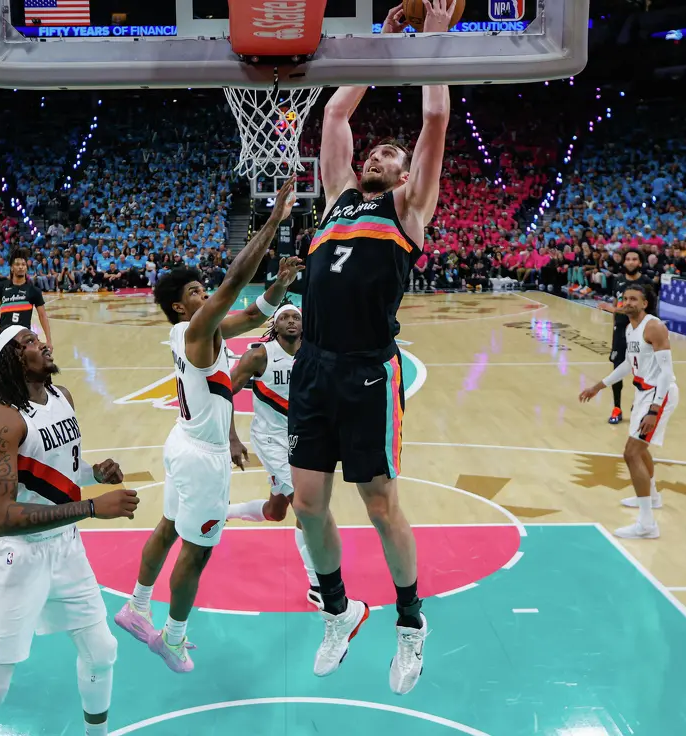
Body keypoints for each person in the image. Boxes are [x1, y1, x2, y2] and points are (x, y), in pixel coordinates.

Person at [285, 0, 453, 695]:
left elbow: (436, 119)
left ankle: (410, 625)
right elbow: (333, 118)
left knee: (379, 504)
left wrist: (433, 47)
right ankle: (340, 609)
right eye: (376, 151)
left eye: (394, 153)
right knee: (306, 503)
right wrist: (373, 48)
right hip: (314, 366)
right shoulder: (334, 200)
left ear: (406, 173)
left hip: (366, 371)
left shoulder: (407, 211)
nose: (383, 155)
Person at [113, 179, 300, 673]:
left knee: (170, 526)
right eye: (197, 291)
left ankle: (135, 607)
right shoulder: (196, 330)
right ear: (180, 305)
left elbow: (244, 313)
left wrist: (277, 290)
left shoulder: (196, 330)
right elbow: (235, 284)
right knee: (197, 552)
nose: (206, 294)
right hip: (202, 461)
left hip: (184, 443)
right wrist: (273, 223)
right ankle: (172, 638)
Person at [0, 326, 139, 736]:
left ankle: (96, 732)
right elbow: (0, 518)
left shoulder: (60, 396)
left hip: (64, 547)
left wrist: (92, 473)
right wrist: (90, 507)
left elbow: (51, 468)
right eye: (29, 343)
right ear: (10, 361)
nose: (43, 344)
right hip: (14, 557)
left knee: (102, 650)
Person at [225, 304, 322, 607]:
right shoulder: (259, 356)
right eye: (285, 318)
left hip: (302, 439)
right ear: (275, 326)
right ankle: (318, 585)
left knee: (276, 510)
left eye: (296, 317)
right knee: (306, 508)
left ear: (303, 326)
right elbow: (224, 392)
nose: (291, 321)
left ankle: (223, 512)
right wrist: (231, 438)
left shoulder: (313, 353)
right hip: (270, 440)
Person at [579, 284, 677, 539]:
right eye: (624, 298)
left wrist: (654, 409)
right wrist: (598, 386)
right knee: (640, 450)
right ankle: (652, 497)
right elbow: (627, 364)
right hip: (643, 392)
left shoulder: (653, 327)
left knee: (631, 452)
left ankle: (647, 525)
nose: (627, 302)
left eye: (634, 299)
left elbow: (666, 374)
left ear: (645, 304)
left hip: (659, 394)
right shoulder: (629, 328)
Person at [596, 249, 644, 424]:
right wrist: (615, 327)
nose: (631, 262)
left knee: (641, 371)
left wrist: (613, 309)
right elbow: (616, 305)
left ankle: (639, 405)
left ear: (639, 263)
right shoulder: (618, 281)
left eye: (634, 259)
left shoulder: (645, 283)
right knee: (617, 370)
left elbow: (642, 309)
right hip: (621, 331)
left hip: (640, 331)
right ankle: (617, 407)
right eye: (628, 259)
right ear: (624, 263)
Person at [0, 249, 52, 349]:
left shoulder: (33, 290)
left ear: (26, 268)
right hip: (4, 338)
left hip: (24, 338)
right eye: (17, 264)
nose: (21, 267)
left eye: (23, 264)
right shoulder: (2, 286)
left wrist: (49, 340)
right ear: (12, 268)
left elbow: (42, 315)